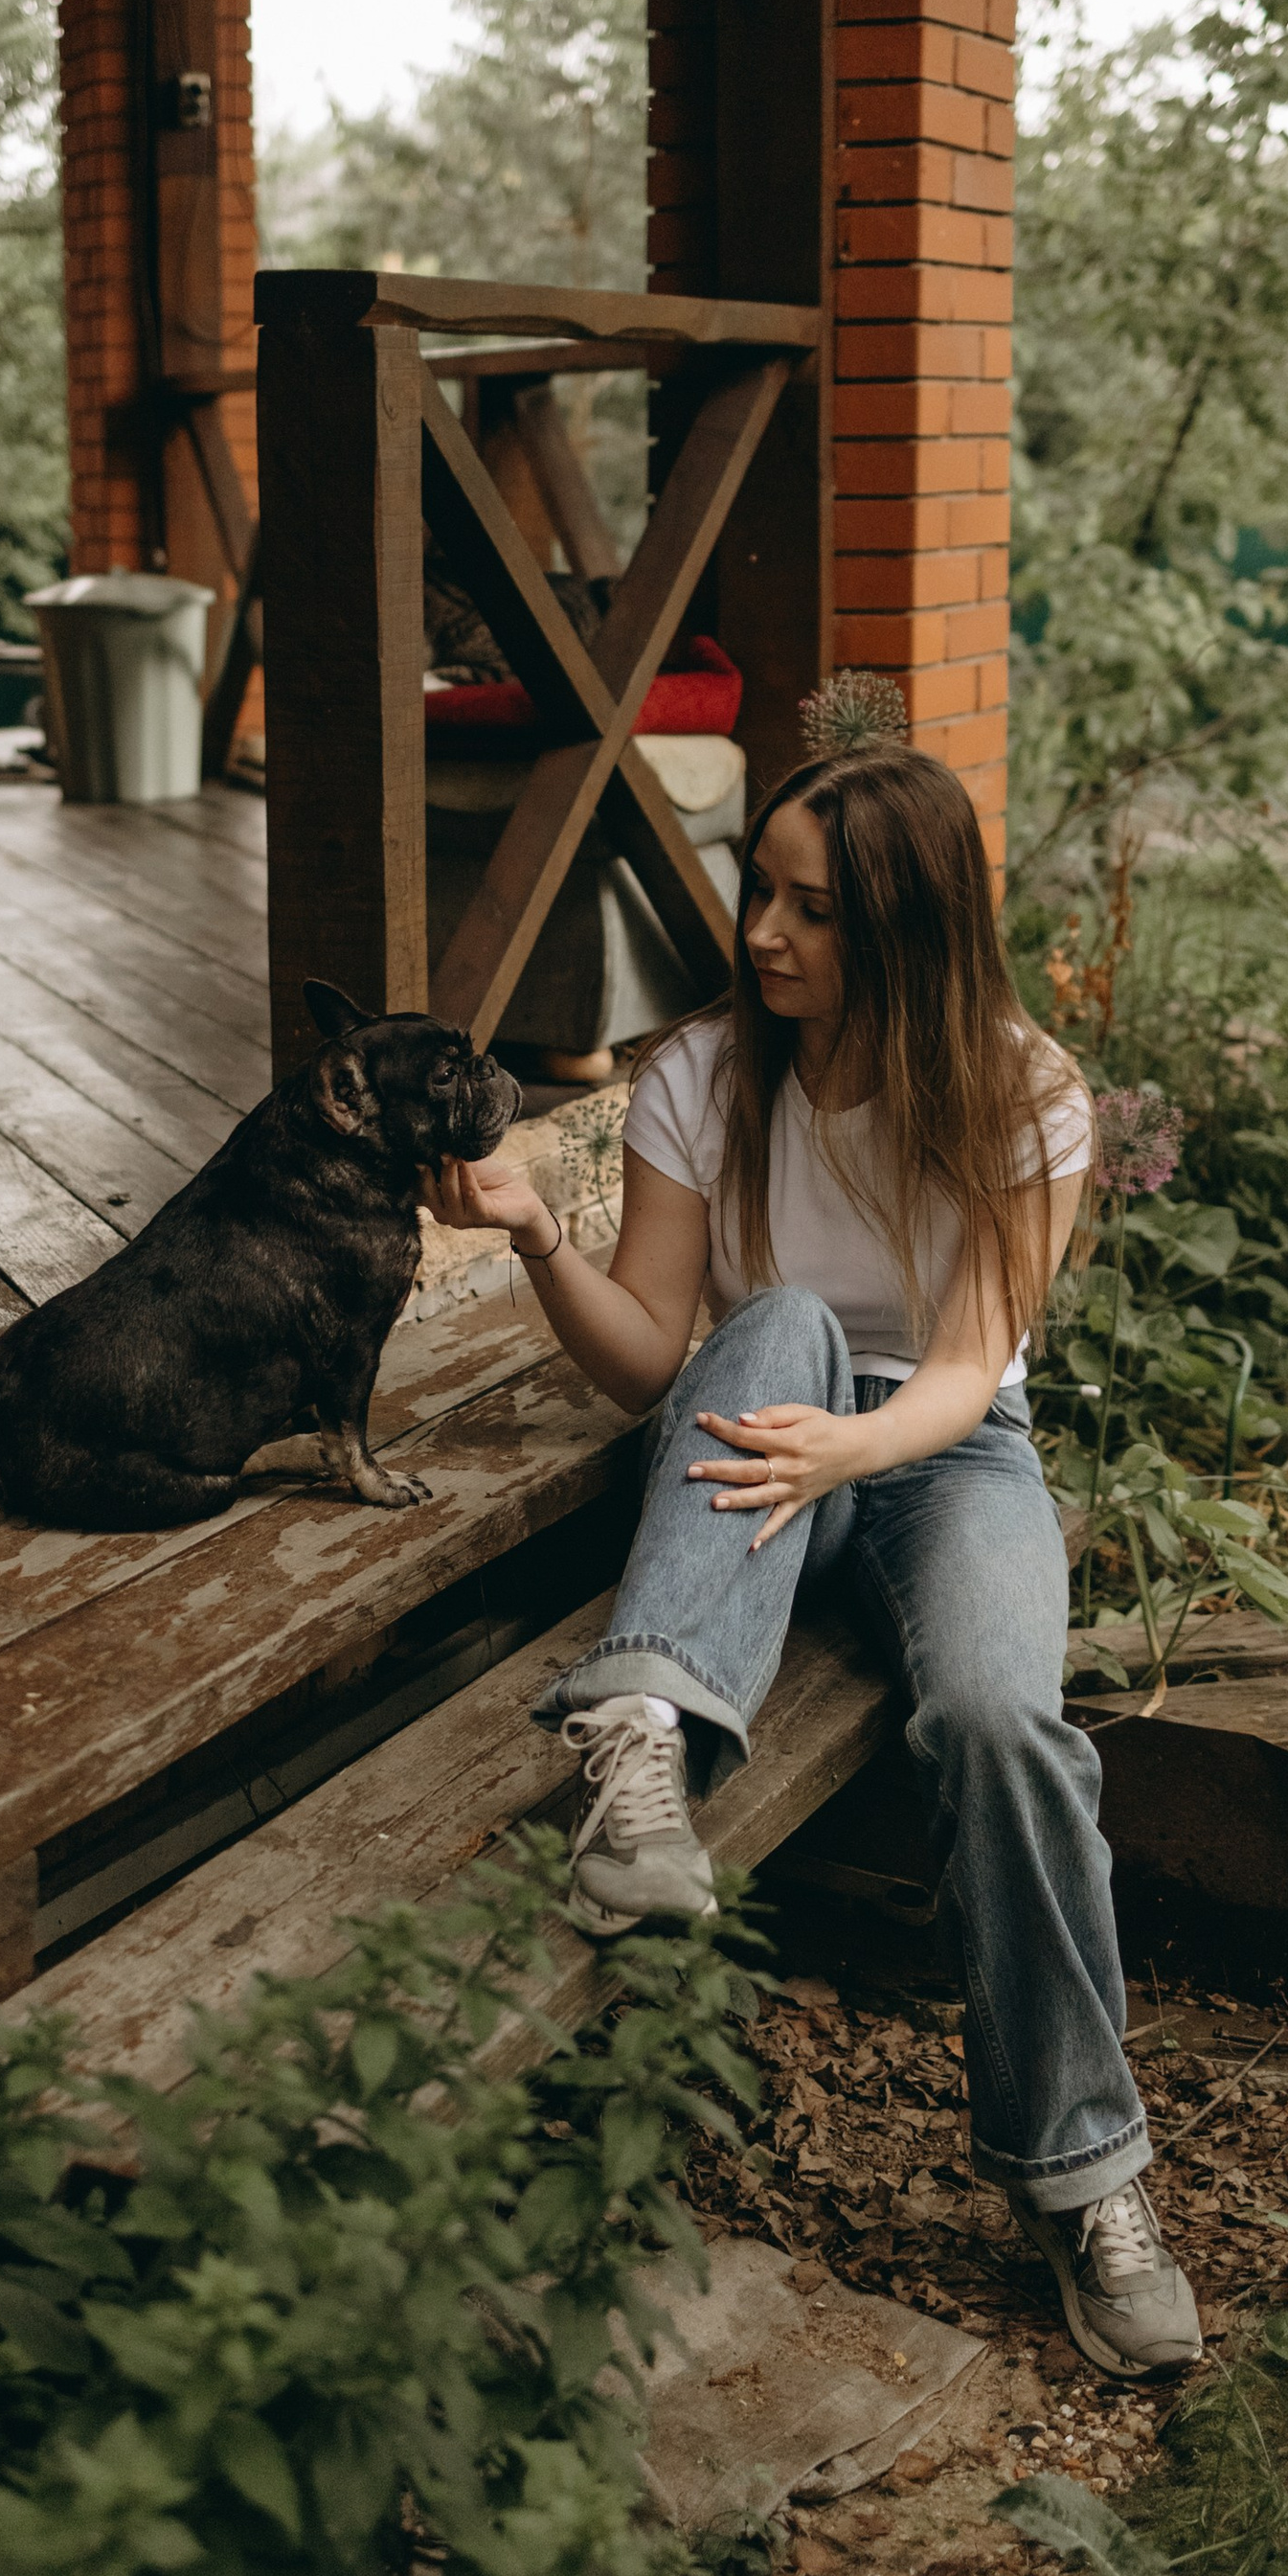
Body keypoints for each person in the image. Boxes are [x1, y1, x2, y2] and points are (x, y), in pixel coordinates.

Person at [420, 734, 1201, 2381]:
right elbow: (650, 1358)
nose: (764, 933)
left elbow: (970, 1363)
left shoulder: (1024, 1094)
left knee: (1001, 1721)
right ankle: (637, 1754)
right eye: (757, 892)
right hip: (754, 1433)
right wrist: (540, 1235)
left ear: (910, 930)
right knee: (772, 1321)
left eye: (813, 909)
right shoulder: (703, 1074)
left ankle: (1085, 2177)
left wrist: (856, 1443)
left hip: (939, 1449)